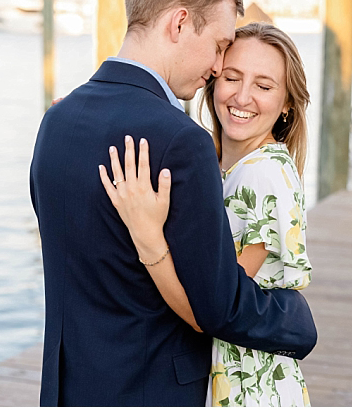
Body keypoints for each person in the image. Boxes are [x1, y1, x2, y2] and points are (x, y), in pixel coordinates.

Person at [29, 0, 317, 406]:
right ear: (179, 24)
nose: (219, 66)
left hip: (69, 390)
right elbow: (217, 305)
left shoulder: (57, 122)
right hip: (151, 392)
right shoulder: (181, 141)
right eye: (221, 45)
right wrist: (295, 322)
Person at [100, 22, 313, 406]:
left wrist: (147, 238)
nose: (242, 97)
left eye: (264, 86)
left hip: (249, 389)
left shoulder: (262, 174)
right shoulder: (220, 165)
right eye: (232, 77)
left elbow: (212, 310)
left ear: (287, 105)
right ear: (214, 80)